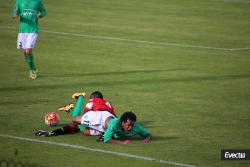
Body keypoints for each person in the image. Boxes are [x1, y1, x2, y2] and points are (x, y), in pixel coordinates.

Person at [36, 91, 116, 137]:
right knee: (81, 129)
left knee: (78, 123)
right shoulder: (109, 103)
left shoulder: (93, 100)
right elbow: (114, 117)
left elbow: (85, 115)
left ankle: (79, 98)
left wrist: (83, 121)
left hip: (101, 122)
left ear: (93, 97)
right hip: (106, 122)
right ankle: (70, 109)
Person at [12, 0, 47, 79]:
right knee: (25, 52)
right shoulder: (19, 1)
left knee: (28, 51)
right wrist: (15, 15)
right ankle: (33, 68)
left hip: (33, 30)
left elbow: (44, 11)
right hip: (22, 31)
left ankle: (32, 70)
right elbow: (15, 11)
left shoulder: (37, 1)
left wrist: (41, 14)